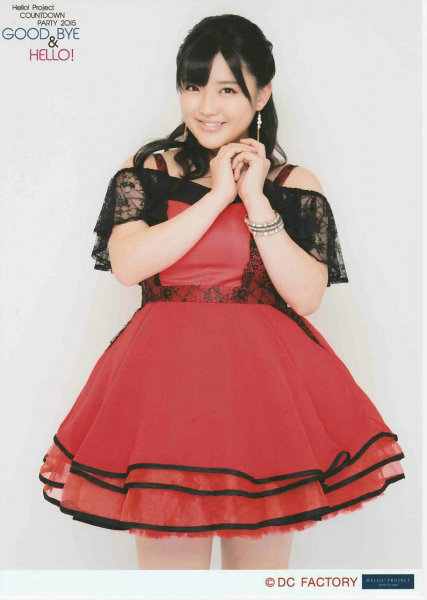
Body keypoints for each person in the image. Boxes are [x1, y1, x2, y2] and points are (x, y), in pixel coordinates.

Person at [39, 14, 405, 570]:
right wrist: (217, 194)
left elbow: (306, 296)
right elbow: (128, 265)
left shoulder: (292, 185)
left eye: (228, 89)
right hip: (161, 398)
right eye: (193, 86)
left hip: (263, 400)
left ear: (262, 94)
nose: (206, 105)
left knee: (256, 585)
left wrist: (254, 198)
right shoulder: (147, 171)